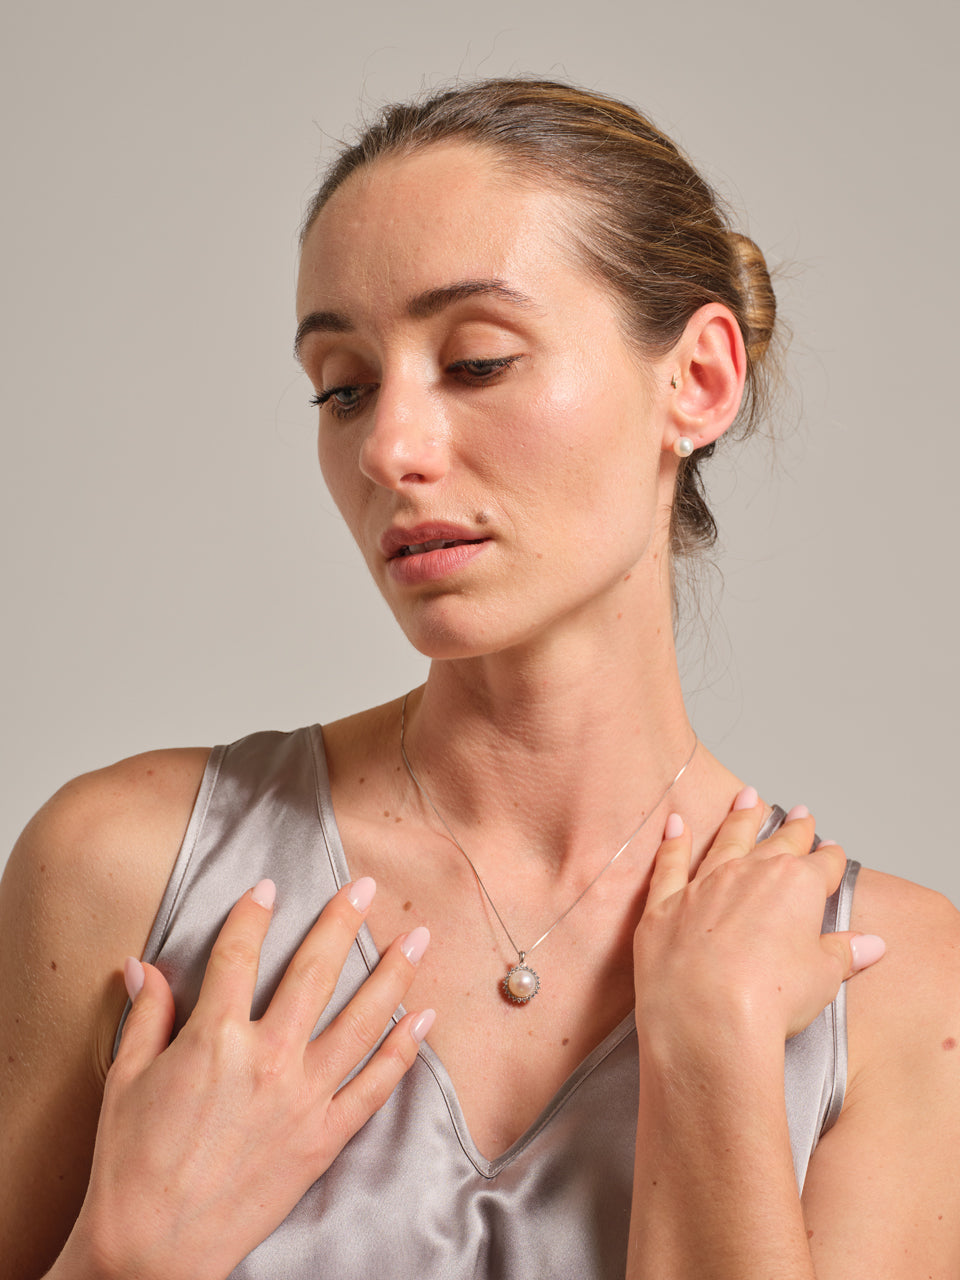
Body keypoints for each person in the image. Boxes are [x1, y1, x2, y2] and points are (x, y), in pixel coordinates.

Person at [2, 78, 959, 1280]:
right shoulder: (131, 871)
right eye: (343, 383)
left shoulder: (889, 980)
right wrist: (121, 1257)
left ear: (699, 381)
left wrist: (714, 1061)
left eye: (477, 361)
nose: (389, 449)